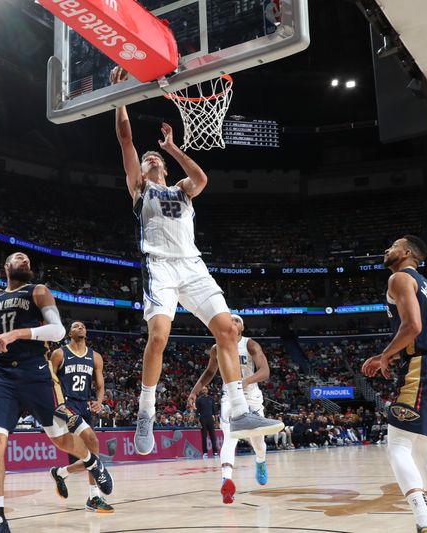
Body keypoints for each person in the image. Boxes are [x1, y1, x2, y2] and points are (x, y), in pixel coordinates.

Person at [110, 66, 283, 455]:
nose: (151, 158)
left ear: (166, 167)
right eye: (149, 156)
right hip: (160, 267)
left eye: (156, 158)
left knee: (227, 330)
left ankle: (239, 410)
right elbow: (125, 138)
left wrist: (171, 147)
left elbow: (202, 178)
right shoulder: (140, 190)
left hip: (193, 266)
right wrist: (118, 97)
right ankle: (146, 410)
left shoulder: (182, 190)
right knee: (158, 337)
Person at [0, 246, 112, 533]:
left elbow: (58, 330)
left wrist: (16, 333)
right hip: (4, 376)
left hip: (36, 374)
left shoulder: (38, 291)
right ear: (6, 266)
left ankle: (91, 461)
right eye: (19, 257)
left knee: (62, 442)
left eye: (27, 259)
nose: (25, 259)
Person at [361, 236, 427, 533]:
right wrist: (396, 355)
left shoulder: (400, 278)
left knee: (398, 446)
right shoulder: (424, 282)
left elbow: (413, 326)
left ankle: (423, 519)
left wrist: (384, 356)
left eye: (391, 245)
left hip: (425, 365)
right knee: (422, 450)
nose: (385, 249)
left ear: (406, 253)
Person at [188, 314, 272, 504]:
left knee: (257, 442)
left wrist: (247, 381)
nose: (232, 323)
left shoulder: (250, 344)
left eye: (236, 321)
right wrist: (194, 392)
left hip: (251, 397)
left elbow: (265, 371)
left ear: (241, 328)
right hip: (230, 398)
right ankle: (227, 479)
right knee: (230, 436)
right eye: (230, 320)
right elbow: (209, 372)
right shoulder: (217, 348)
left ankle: (260, 460)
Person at [49, 321, 114, 513]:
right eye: (76, 326)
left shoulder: (95, 357)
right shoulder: (59, 353)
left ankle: (60, 472)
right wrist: (56, 404)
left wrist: (100, 401)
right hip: (66, 405)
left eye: (83, 326)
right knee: (93, 442)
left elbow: (100, 386)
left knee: (91, 454)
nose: (80, 328)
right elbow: (50, 381)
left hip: (85, 405)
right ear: (69, 332)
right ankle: (94, 496)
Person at [194, 387, 217, 459]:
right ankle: (205, 452)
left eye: (206, 389)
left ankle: (215, 452)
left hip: (210, 419)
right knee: (204, 437)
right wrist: (198, 422)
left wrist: (216, 421)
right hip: (203, 419)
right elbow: (197, 412)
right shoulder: (199, 399)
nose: (204, 391)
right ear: (201, 391)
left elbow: (214, 410)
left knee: (213, 436)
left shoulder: (211, 398)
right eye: (203, 390)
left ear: (207, 390)